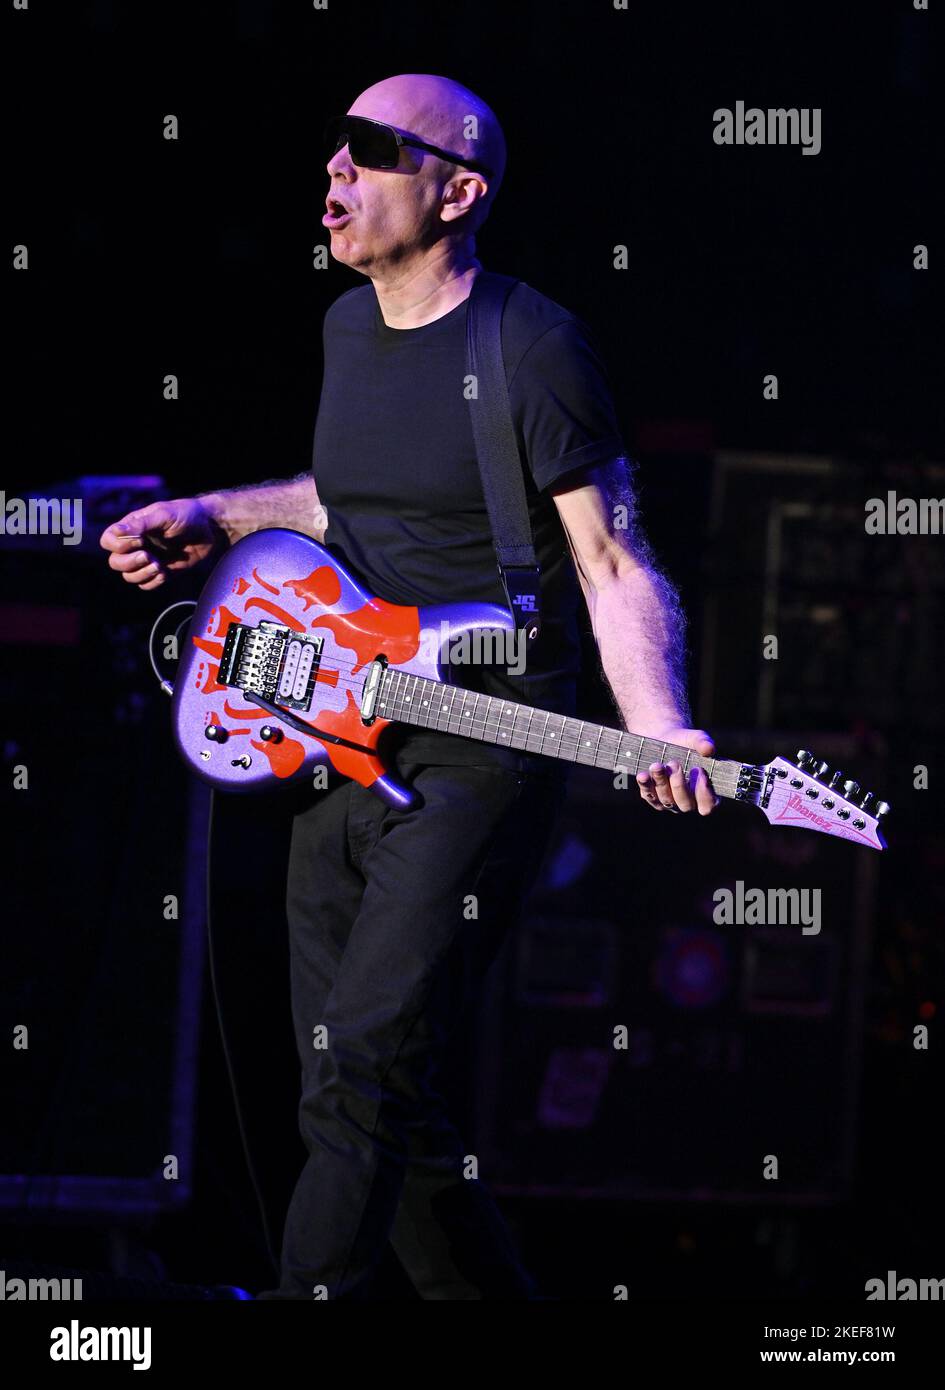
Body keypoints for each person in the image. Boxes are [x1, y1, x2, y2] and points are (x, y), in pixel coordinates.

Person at [100, 73, 719, 1300]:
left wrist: (657, 725)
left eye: (372, 151)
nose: (335, 170)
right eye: (334, 147)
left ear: (458, 190)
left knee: (366, 1064)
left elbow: (611, 554)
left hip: (478, 751)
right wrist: (216, 515)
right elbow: (347, 500)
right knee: (380, 1094)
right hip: (340, 731)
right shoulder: (347, 331)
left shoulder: (531, 346)